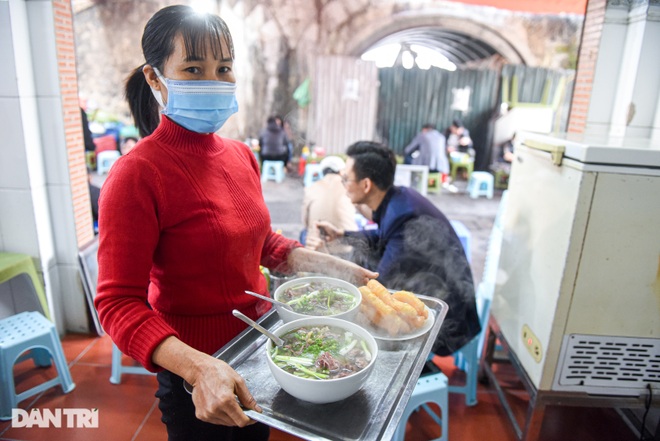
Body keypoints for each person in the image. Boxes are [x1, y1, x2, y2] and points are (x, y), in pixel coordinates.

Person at [93, 6, 377, 441]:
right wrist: (198, 366)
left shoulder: (241, 156)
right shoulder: (136, 175)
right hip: (193, 371)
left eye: (223, 68)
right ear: (155, 79)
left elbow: (260, 243)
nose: (214, 79)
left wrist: (331, 268)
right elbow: (117, 304)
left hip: (261, 345)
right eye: (193, 68)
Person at [316, 141, 481, 356]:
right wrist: (341, 236)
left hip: (448, 320)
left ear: (366, 185)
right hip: (445, 298)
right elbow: (385, 236)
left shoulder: (404, 217)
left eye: (346, 179)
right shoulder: (400, 199)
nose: (344, 185)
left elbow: (380, 282)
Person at [301, 156, 357, 258]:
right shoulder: (349, 187)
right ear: (341, 172)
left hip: (316, 247)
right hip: (346, 246)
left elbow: (304, 221)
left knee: (303, 233)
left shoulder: (311, 188)